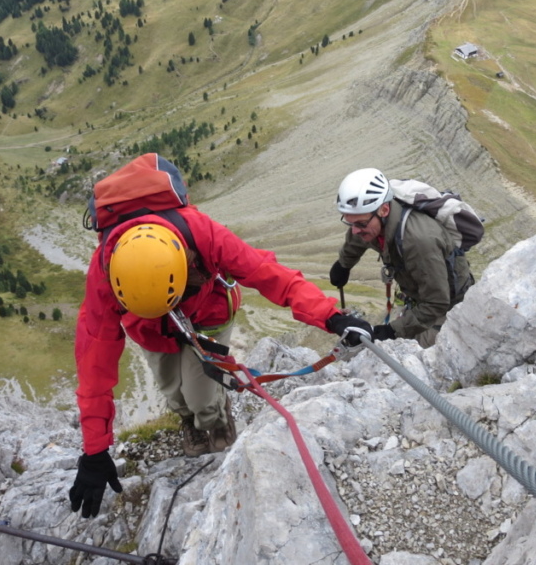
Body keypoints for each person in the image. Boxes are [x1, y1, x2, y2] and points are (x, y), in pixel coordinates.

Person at [68, 209, 373, 519]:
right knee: (173, 390)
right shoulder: (104, 274)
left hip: (207, 318)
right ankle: (189, 419)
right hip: (150, 332)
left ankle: (214, 418)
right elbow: (94, 369)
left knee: (200, 393)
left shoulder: (203, 235)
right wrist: (95, 451)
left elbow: (269, 273)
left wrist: (332, 316)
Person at [329, 168, 475, 349]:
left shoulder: (419, 241)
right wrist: (344, 264)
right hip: (418, 299)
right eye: (350, 222)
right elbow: (357, 238)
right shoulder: (374, 221)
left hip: (448, 308)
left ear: (384, 209)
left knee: (411, 355)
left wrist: (391, 331)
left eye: (360, 223)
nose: (355, 230)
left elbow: (436, 302)